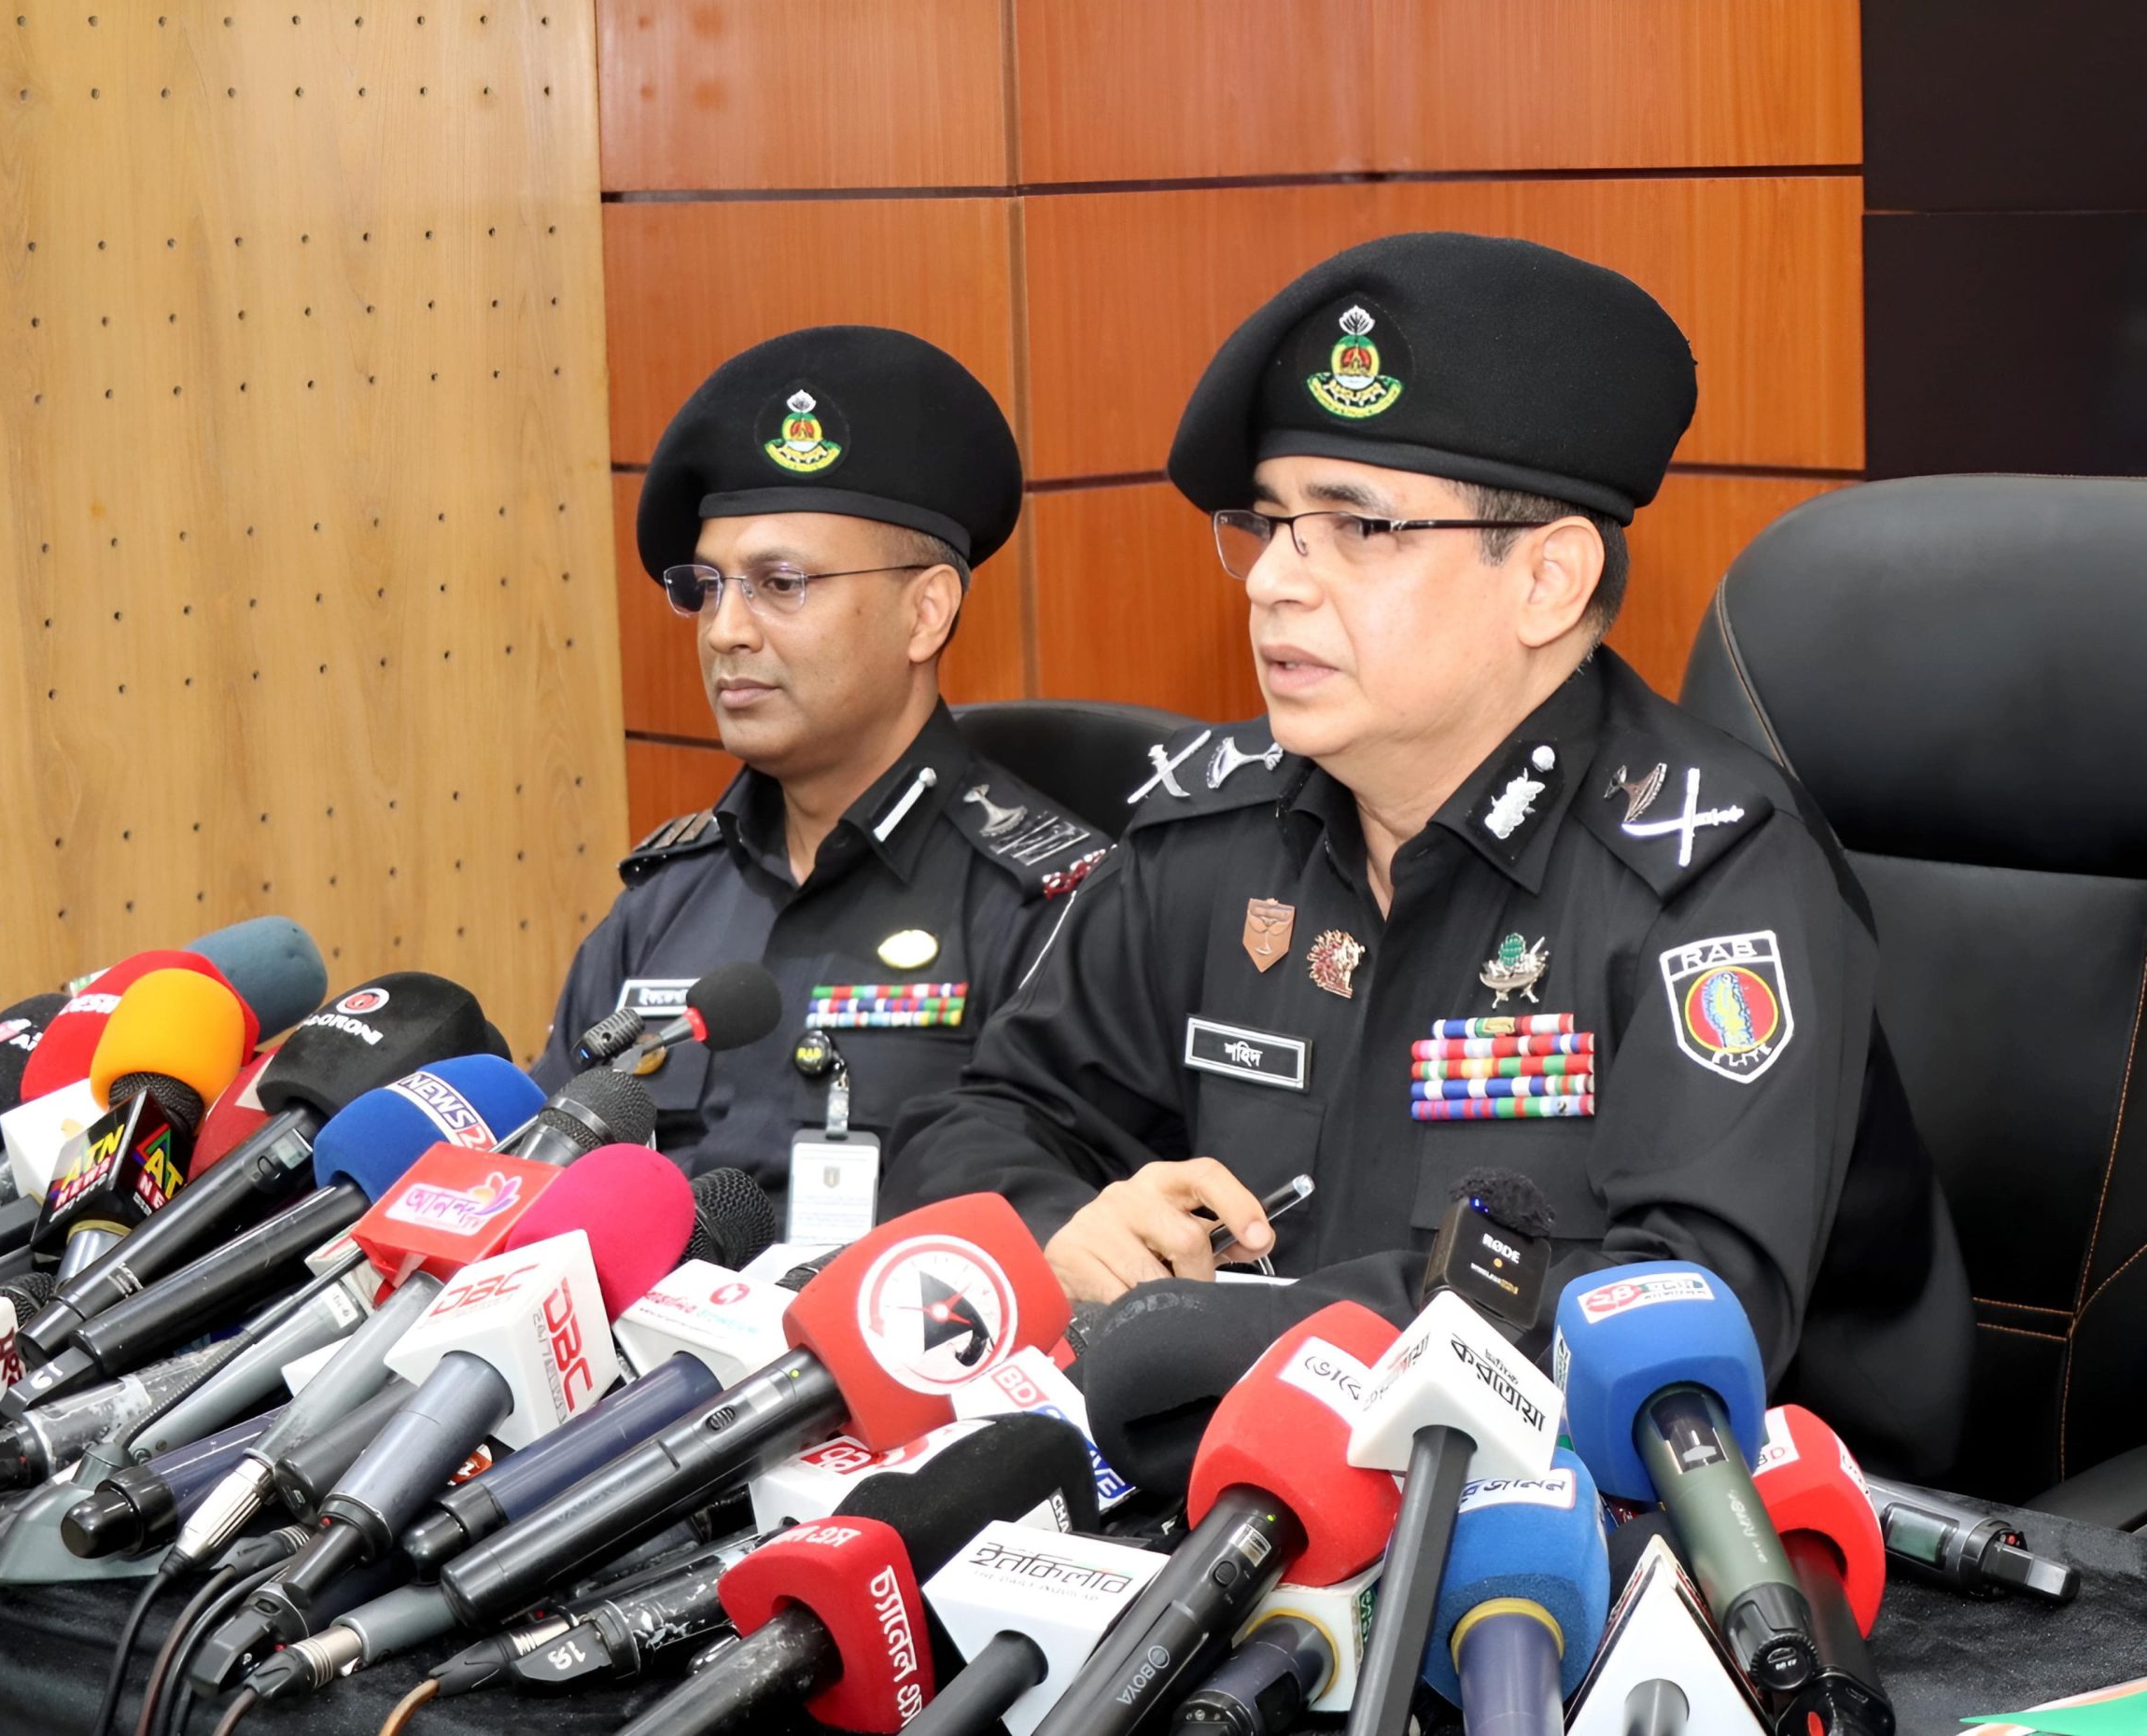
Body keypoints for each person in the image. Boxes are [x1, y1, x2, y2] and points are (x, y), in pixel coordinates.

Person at [882, 233, 1970, 1471]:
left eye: (1357, 527)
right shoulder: (1216, 832)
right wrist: (1060, 1230)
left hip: (1684, 1542)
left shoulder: (1715, 878)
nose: (1273, 582)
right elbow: (977, 1120)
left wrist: (1210, 1331)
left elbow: (1680, 1320)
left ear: (1547, 579)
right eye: (1268, 523)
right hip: (1267, 1498)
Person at [540, 326, 1110, 1228]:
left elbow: (1062, 1243)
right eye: (709, 587)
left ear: (925, 613)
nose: (726, 631)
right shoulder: (660, 906)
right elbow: (543, 1181)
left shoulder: (1052, 911)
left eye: (781, 583)